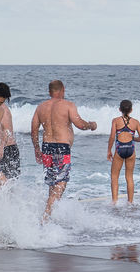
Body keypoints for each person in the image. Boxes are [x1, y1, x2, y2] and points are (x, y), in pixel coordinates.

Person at [30, 79, 96, 220]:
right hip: (61, 148)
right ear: (63, 90)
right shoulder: (68, 105)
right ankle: (45, 218)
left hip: (46, 147)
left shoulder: (41, 107)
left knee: (53, 183)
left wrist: (36, 149)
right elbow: (79, 124)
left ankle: (49, 217)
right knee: (61, 183)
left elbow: (34, 130)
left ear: (49, 92)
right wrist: (91, 125)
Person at [107, 100, 140, 205]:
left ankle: (114, 202)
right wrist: (133, 139)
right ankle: (130, 202)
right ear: (131, 110)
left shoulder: (115, 121)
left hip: (119, 149)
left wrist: (109, 150)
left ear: (120, 109)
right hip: (131, 149)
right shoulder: (136, 122)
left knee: (115, 176)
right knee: (129, 177)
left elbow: (111, 137)